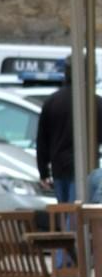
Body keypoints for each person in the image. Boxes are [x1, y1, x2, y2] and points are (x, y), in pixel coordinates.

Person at [34, 72, 102, 203]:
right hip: (86, 166)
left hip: (59, 167)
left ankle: (67, 224)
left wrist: (43, 172)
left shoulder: (52, 101)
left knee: (64, 210)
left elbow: (42, 140)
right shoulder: (96, 103)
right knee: (76, 212)